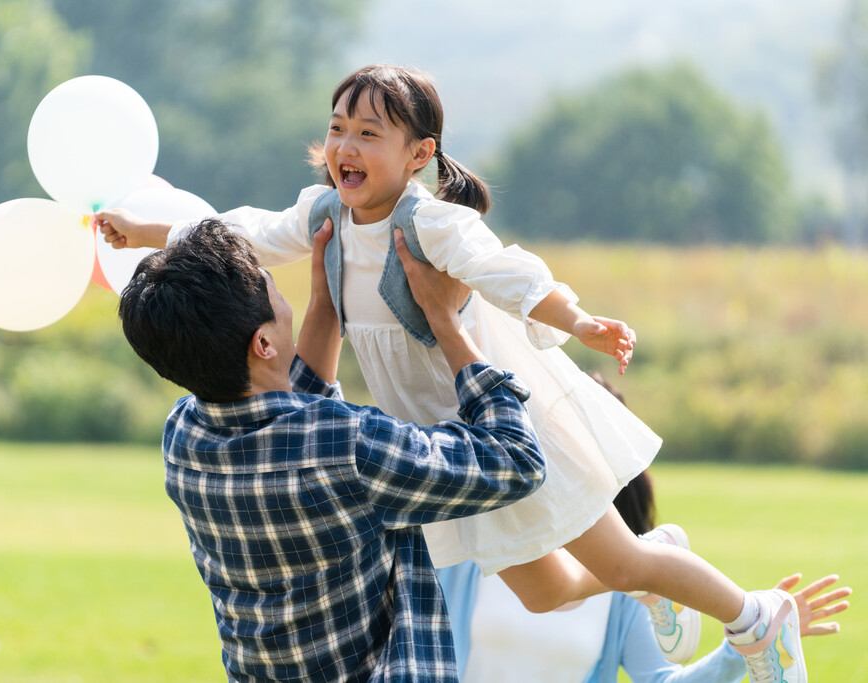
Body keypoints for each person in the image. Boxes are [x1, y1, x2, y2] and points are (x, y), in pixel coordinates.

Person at [96, 64, 808, 681]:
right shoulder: (325, 215)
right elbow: (244, 229)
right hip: (437, 430)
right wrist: (152, 231)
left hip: (502, 415)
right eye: (339, 127)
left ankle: (756, 618)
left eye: (369, 133)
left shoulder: (430, 224)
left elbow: (511, 272)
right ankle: (659, 565)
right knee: (546, 589)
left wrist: (580, 321)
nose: (346, 145)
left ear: (419, 154)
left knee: (616, 563)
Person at [117, 216, 549, 681]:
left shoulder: (183, 436)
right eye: (276, 294)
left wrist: (327, 300)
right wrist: (446, 321)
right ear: (263, 342)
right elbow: (515, 461)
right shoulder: (346, 445)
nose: (286, 304)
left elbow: (291, 415)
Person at [455, 468, 852, 682]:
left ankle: (756, 622)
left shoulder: (621, 600)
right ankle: (747, 614)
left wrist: (741, 650)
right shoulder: (470, 558)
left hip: (628, 572)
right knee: (547, 592)